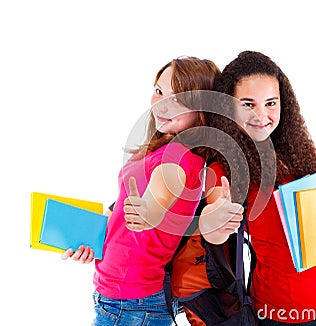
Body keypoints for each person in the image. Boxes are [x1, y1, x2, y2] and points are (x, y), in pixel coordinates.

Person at [61, 56, 221, 326]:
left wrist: (148, 211)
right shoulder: (162, 148)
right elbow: (124, 214)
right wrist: (91, 240)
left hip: (132, 303)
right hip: (122, 296)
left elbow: (155, 204)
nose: (161, 104)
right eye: (159, 91)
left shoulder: (178, 157)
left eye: (179, 99)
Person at [196, 51, 316, 325]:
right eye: (248, 104)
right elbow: (214, 227)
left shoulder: (298, 156)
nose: (262, 115)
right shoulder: (225, 169)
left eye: (270, 103)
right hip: (273, 315)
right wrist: (215, 221)